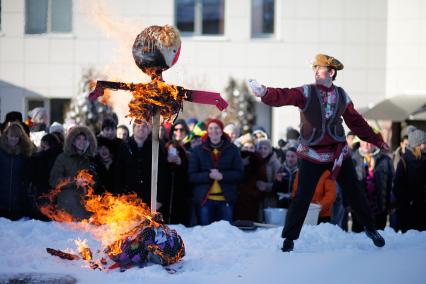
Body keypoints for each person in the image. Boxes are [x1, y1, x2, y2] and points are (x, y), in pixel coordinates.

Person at [249, 53, 389, 251]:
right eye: (314, 68)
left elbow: (356, 122)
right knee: (302, 196)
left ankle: (371, 229)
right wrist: (264, 92)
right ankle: (289, 239)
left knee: (354, 192)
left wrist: (376, 140)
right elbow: (285, 95)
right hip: (311, 154)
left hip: (338, 152)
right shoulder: (306, 91)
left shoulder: (342, 94)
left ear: (331, 72)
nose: (315, 71)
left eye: (319, 68)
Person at [188, 118, 243, 225]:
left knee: (225, 235)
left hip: (226, 200)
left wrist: (222, 176)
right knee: (206, 235)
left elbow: (239, 174)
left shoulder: (233, 149)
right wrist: (209, 176)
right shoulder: (197, 151)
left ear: (222, 131)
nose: (214, 131)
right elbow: (192, 176)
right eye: (211, 128)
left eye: (217, 128)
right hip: (205, 201)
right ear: (207, 131)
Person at [114, 120, 168, 209]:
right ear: (134, 129)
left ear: (148, 130)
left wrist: (159, 199)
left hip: (149, 197)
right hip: (128, 196)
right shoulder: (125, 147)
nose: (141, 129)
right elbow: (119, 173)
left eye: (144, 126)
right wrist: (118, 196)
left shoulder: (155, 147)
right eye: (138, 126)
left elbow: (162, 174)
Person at [49, 126, 97, 219]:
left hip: (87, 208)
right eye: (78, 138)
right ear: (72, 141)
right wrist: (75, 181)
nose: (82, 141)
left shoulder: (90, 159)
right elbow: (54, 181)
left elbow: (98, 182)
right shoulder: (63, 158)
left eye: (85, 139)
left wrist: (90, 181)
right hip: (67, 208)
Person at [351, 140, 393, 231]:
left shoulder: (385, 159)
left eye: (369, 141)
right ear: (360, 142)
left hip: (379, 209)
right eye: (363, 141)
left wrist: (390, 204)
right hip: (359, 210)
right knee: (359, 240)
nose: (366, 144)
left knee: (379, 237)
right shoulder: (352, 159)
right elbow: (347, 183)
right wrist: (348, 205)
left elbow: (391, 184)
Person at [392, 126, 426, 232]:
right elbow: (397, 185)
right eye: (424, 143)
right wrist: (405, 200)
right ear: (418, 144)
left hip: (422, 207)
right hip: (407, 208)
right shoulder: (404, 161)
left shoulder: (424, 159)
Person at [0, 122, 34, 220]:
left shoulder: (25, 154)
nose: (13, 139)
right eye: (11, 136)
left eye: (16, 136)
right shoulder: (1, 152)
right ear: (6, 135)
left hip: (18, 208)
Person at [234, 135, 268, 222]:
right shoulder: (235, 160)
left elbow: (263, 180)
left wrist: (256, 193)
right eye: (246, 147)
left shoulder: (259, 160)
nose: (248, 150)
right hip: (238, 199)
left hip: (252, 200)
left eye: (251, 147)